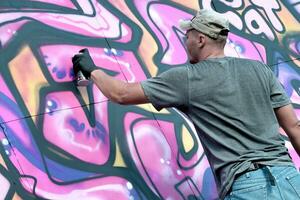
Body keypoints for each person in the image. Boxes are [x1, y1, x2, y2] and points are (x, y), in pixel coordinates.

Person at [72, 9, 300, 200]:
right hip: (291, 178)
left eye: (187, 34)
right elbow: (294, 129)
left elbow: (121, 93)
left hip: (248, 185)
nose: (184, 40)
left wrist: (92, 69)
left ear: (201, 39)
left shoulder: (188, 78)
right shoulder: (259, 69)